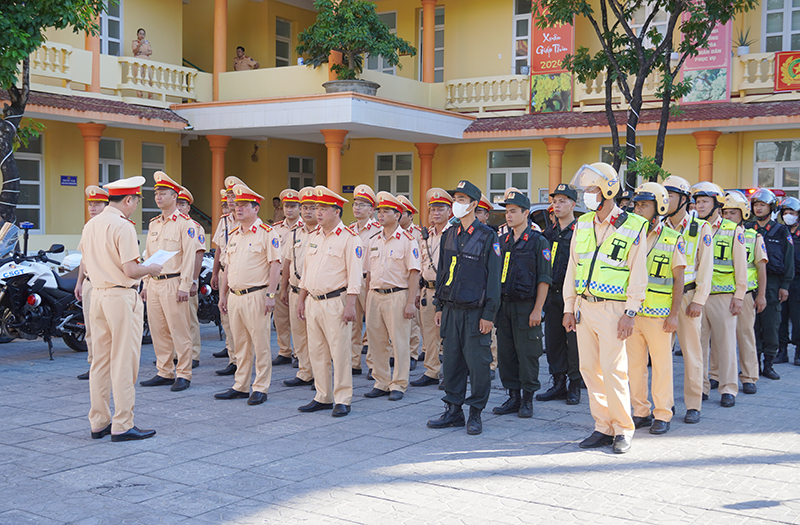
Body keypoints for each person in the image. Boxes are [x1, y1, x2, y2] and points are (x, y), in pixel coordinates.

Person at [563, 162, 648, 454]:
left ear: (608, 190)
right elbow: (573, 266)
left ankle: (623, 429)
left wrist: (631, 311)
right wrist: (568, 306)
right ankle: (602, 426)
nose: (586, 194)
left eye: (591, 189)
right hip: (585, 308)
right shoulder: (583, 222)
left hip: (615, 310)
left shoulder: (633, 224)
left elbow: (639, 272)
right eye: (585, 188)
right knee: (589, 369)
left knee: (614, 371)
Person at [79, 176, 161, 442]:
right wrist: (151, 268)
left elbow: (87, 263)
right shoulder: (123, 226)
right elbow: (130, 269)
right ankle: (123, 423)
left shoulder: (91, 224)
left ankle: (99, 422)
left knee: (100, 362)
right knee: (124, 362)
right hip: (121, 296)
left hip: (99, 296)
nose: (135, 205)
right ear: (128, 199)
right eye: (136, 200)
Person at [427, 180, 501, 436]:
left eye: (461, 198)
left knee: (478, 365)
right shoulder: (450, 233)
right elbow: (443, 272)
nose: (456, 203)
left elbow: (493, 279)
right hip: (451, 310)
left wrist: (489, 314)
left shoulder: (488, 236)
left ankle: (476, 412)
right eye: (455, 198)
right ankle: (453, 410)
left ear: (473, 204)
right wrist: (438, 305)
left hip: (475, 312)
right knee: (452, 362)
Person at [297, 186, 363, 417]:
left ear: (337, 211)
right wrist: (301, 299)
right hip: (313, 301)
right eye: (317, 208)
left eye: (323, 208)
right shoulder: (313, 236)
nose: (318, 213)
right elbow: (307, 271)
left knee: (340, 351)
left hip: (336, 301)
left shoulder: (349, 238)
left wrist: (351, 305)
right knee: (317, 351)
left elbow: (355, 274)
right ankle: (322, 395)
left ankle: (343, 398)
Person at [627, 183, 685, 436]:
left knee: (662, 366)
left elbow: (679, 280)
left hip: (660, 316)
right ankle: (640, 412)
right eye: (636, 204)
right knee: (634, 366)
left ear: (659, 208)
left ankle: (663, 413)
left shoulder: (673, 239)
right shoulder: (627, 234)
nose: (638, 209)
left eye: (644, 205)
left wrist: (674, 315)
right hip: (631, 314)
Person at [214, 185, 282, 405]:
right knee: (239, 343)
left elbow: (275, 266)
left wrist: (271, 296)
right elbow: (227, 267)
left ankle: (260, 386)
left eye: (244, 205)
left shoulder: (267, 233)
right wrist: (223, 295)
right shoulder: (233, 234)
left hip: (256, 295)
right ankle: (240, 384)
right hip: (234, 295)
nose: (238, 208)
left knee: (260, 342)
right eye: (237, 205)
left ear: (256, 208)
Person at [492, 190, 551, 418]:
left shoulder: (539, 241)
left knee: (527, 353)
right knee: (506, 353)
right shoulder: (501, 241)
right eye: (506, 212)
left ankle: (527, 399)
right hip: (505, 306)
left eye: (513, 211)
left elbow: (544, 278)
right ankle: (513, 396)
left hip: (527, 307)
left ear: (526, 213)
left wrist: (538, 309)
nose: (508, 216)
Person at [139, 172, 199, 392]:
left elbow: (189, 256)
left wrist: (186, 285)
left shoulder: (185, 224)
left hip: (174, 283)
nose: (158, 197)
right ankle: (164, 371)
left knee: (179, 330)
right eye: (156, 193)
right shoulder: (154, 224)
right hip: (155, 283)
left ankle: (184, 373)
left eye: (163, 193)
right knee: (158, 329)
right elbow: (149, 256)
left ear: (174, 196)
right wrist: (146, 283)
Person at [663, 175, 713, 424]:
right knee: (662, 354)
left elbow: (706, 267)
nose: (665, 200)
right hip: (660, 298)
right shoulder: (659, 226)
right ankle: (665, 403)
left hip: (689, 296)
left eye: (670, 196)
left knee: (692, 352)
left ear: (683, 200)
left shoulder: (700, 228)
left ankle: (694, 404)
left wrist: (699, 300)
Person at [693, 182, 747, 408]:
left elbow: (741, 265)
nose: (700, 205)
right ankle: (701, 387)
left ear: (717, 203)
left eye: (705, 201)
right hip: (697, 296)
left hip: (723, 296)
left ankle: (728, 388)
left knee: (725, 344)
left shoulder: (733, 230)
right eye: (697, 201)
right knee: (698, 345)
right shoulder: (692, 228)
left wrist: (739, 295)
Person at [363, 192, 421, 402]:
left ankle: (399, 383)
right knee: (376, 341)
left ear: (398, 215)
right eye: (379, 211)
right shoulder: (374, 240)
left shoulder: (407, 240)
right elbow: (369, 272)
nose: (381, 215)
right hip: (375, 295)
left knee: (399, 341)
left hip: (397, 295)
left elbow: (414, 273)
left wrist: (410, 302)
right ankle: (381, 381)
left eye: (386, 211)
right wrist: (368, 296)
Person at [538, 184, 581, 405]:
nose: (557, 205)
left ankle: (575, 385)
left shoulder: (581, 231)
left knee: (573, 342)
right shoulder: (548, 233)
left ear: (573, 204)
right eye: (555, 201)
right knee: (553, 340)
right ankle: (557, 383)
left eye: (563, 201)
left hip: (572, 297)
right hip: (552, 295)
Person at [720, 191, 767, 395]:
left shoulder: (752, 236)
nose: (728, 216)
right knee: (719, 338)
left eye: (732, 212)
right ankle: (716, 376)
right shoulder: (714, 235)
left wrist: (761, 295)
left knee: (745, 335)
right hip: (720, 293)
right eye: (725, 212)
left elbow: (761, 267)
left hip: (746, 294)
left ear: (743, 214)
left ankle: (749, 377)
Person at [748, 188, 794, 380]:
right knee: (751, 327)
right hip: (751, 284)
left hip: (773, 285)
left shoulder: (781, 231)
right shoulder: (747, 229)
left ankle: (769, 364)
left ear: (771, 207)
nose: (758, 208)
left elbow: (789, 260)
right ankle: (752, 364)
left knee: (771, 325)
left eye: (762, 205)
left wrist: (785, 286)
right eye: (756, 205)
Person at [410, 188, 453, 388]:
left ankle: (451, 373)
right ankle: (432, 371)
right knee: (428, 332)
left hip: (447, 292)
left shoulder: (454, 233)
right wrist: (418, 292)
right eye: (432, 209)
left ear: (450, 211)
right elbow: (420, 264)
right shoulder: (426, 236)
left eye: (440, 209)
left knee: (448, 334)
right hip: (427, 290)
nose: (436, 213)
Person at [281, 187, 317, 387]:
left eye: (313, 208)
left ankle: (320, 373)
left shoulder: (323, 233)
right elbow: (287, 262)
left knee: (317, 335)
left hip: (315, 293)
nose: (308, 212)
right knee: (299, 334)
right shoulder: (295, 234)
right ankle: (305, 371)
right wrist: (284, 287)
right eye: (305, 208)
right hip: (295, 290)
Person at [75, 185, 109, 381]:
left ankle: (108, 366)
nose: (92, 208)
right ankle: (94, 365)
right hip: (89, 283)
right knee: (91, 328)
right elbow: (84, 258)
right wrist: (79, 282)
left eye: (97, 204)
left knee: (106, 329)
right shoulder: (88, 227)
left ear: (106, 205)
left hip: (105, 284)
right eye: (90, 205)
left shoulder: (115, 226)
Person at [211, 180, 243, 376]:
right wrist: (215, 273)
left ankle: (243, 359)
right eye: (228, 197)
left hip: (242, 274)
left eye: (234, 196)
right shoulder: (224, 221)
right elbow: (219, 249)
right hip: (225, 271)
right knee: (227, 318)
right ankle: (233, 358)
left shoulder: (246, 219)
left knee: (242, 321)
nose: (230, 200)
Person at [349, 184, 380, 376]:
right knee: (352, 323)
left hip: (369, 280)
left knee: (373, 325)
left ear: (371, 209)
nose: (357, 208)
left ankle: (372, 365)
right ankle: (354, 362)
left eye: (362, 204)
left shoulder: (377, 230)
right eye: (355, 204)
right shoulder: (349, 230)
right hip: (353, 281)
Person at [175, 187, 206, 369]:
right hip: (170, 280)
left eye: (183, 205)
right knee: (173, 319)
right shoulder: (168, 226)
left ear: (188, 208)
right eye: (177, 204)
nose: (179, 208)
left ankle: (193, 354)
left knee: (189, 319)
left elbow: (197, 256)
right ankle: (174, 354)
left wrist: (194, 281)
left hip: (187, 280)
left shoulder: (195, 227)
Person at [270, 189, 301, 367]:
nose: (289, 210)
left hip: (297, 280)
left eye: (293, 206)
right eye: (286, 206)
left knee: (297, 319)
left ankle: (299, 351)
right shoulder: (276, 229)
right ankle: (284, 351)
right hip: (280, 277)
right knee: (280, 319)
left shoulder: (306, 227)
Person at [398, 194, 423, 368]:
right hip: (396, 284)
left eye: (402, 213)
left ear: (410, 215)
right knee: (396, 324)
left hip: (412, 283)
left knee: (412, 322)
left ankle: (413, 353)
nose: (399, 216)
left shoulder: (418, 234)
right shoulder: (390, 233)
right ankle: (396, 353)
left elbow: (421, 261)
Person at [778, 197, 800, 365]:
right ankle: (782, 350)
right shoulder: (780, 232)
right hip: (781, 280)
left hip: (797, 282)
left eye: (791, 213)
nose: (788, 216)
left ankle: (798, 352)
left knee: (797, 317)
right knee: (781, 317)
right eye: (785, 213)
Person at [132, 28, 153, 99]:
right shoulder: (135, 42)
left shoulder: (147, 43)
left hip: (146, 62)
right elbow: (135, 52)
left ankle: (150, 97)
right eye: (140, 34)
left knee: (148, 78)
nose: (142, 35)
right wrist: (139, 45)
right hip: (138, 62)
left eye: (143, 34)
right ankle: (139, 96)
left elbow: (150, 52)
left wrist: (141, 53)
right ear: (137, 34)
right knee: (138, 78)